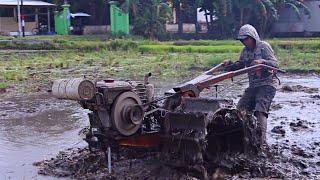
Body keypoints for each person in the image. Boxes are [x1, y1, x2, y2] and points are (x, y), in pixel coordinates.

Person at [222, 24, 278, 146]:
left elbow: (274, 64)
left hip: (267, 84)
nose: (244, 42)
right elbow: (240, 65)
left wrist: (262, 62)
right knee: (240, 110)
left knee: (260, 110)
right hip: (253, 85)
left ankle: (261, 143)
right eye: (242, 40)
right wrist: (229, 64)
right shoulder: (245, 51)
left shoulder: (264, 47)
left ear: (253, 37)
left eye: (246, 39)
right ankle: (245, 137)